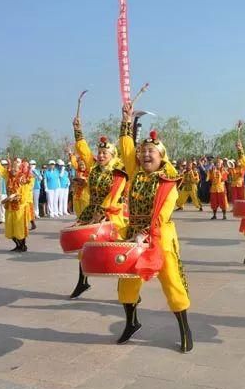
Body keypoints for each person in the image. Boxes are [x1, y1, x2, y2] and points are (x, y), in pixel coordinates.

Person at [116, 103, 192, 352]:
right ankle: (131, 322)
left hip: (159, 237)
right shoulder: (135, 173)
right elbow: (126, 149)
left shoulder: (167, 181)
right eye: (143, 152)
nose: (146, 155)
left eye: (152, 152)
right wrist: (126, 122)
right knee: (127, 284)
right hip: (133, 236)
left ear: (162, 157)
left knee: (172, 284)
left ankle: (185, 329)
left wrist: (145, 234)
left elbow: (161, 213)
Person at [70, 117, 129, 299]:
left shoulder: (118, 171)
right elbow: (84, 151)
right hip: (91, 211)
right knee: (83, 248)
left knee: (118, 251)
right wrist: (78, 130)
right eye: (100, 152)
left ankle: (127, 290)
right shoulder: (94, 168)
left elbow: (114, 195)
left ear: (113, 155)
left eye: (105, 153)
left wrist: (102, 214)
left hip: (111, 214)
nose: (101, 155)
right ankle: (82, 282)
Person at [0, 153, 33, 252]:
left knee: (19, 228)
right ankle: (18, 245)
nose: (14, 170)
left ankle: (22, 246)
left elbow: (25, 193)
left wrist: (17, 198)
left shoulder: (23, 178)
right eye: (13, 167)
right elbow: (1, 169)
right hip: (9, 206)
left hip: (20, 207)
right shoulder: (8, 175)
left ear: (20, 168)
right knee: (10, 228)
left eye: (16, 168)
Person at [68, 152, 90, 218]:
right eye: (80, 165)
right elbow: (74, 163)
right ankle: (79, 218)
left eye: (83, 165)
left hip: (86, 193)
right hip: (77, 193)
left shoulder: (89, 172)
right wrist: (71, 155)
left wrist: (85, 180)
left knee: (85, 207)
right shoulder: (78, 171)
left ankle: (85, 219)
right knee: (77, 207)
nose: (82, 166)